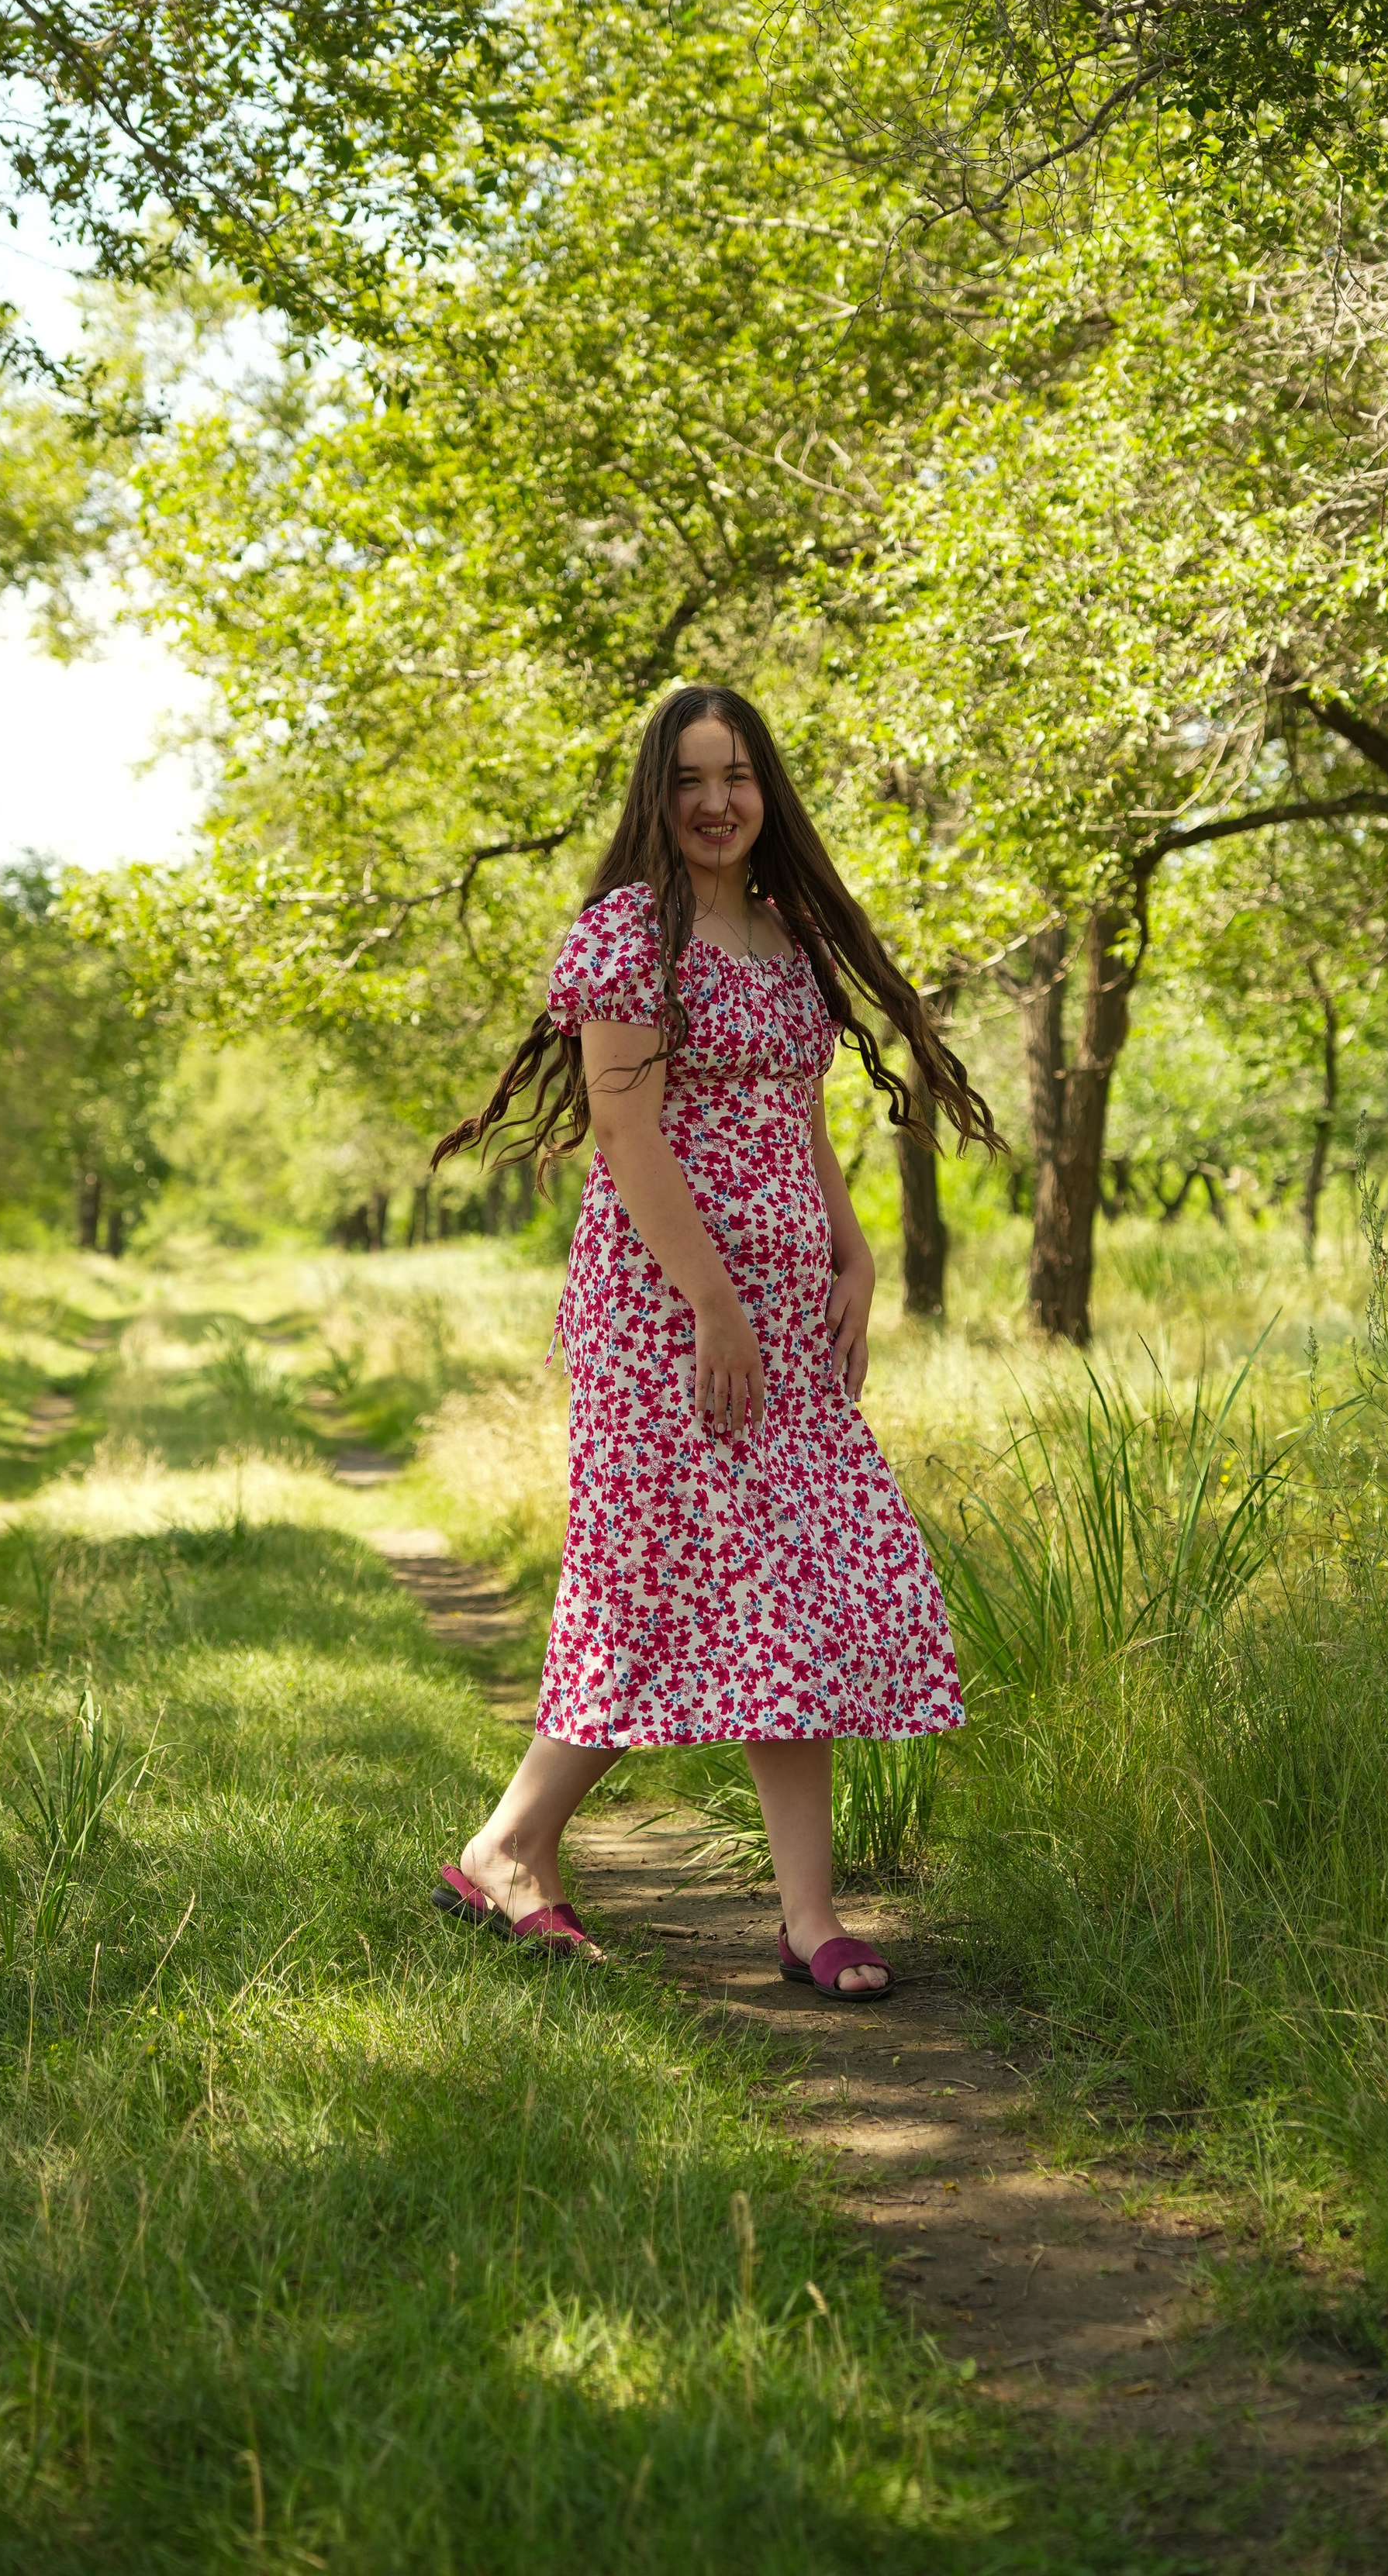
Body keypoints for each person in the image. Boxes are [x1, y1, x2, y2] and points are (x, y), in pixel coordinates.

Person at [429, 685, 1000, 1998]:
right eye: (689, 778)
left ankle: (809, 1915)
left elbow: (797, 1123)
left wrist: (850, 1252)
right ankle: (511, 1847)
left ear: (768, 791)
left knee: (797, 1585)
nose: (716, 801)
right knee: (663, 1582)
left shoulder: (786, 943)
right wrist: (715, 1302)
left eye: (737, 776)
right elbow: (628, 1137)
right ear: (656, 793)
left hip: (785, 1316)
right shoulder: (628, 935)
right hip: (662, 1314)